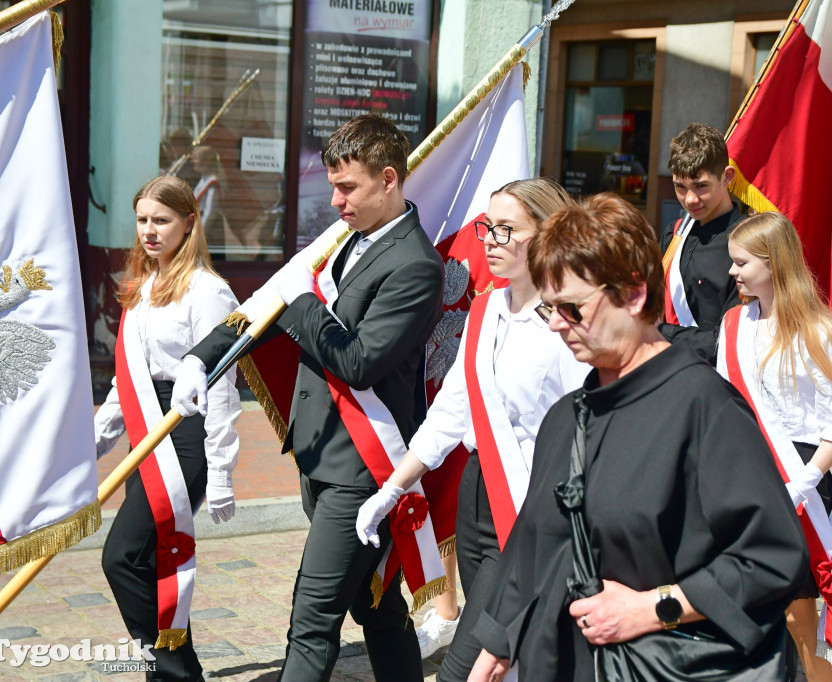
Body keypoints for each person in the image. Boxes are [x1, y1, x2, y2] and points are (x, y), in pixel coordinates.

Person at [468, 193, 808, 681]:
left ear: (634, 294)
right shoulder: (566, 419)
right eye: (549, 310)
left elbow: (773, 558)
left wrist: (653, 608)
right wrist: (496, 649)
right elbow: (534, 545)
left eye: (573, 308)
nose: (559, 325)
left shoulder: (704, 406)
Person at [169, 113, 443, 681]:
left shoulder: (415, 264)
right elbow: (273, 300)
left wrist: (306, 306)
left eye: (349, 187)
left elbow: (360, 361)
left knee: (311, 621)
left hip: (365, 468)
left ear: (389, 179)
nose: (337, 201)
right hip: (324, 454)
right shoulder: (347, 239)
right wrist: (203, 356)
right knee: (377, 609)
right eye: (333, 188)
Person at [355, 178, 590, 679]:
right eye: (488, 227)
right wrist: (394, 487)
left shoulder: (568, 323)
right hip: (477, 495)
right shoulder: (485, 310)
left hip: (533, 504)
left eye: (507, 229)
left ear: (549, 233)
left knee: (466, 667)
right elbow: (452, 412)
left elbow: (590, 425)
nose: (490, 240)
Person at [716, 212, 832, 681]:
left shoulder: (821, 330)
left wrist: (802, 482)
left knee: (798, 614)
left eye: (741, 262)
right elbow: (721, 403)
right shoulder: (733, 324)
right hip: (744, 473)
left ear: (773, 263)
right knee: (742, 602)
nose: (732, 272)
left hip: (801, 478)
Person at [94, 176, 241, 681]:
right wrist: (93, 440)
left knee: (122, 557)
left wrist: (221, 471)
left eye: (161, 220)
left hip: (186, 433)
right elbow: (127, 379)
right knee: (155, 565)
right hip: (145, 427)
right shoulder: (142, 287)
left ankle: (174, 672)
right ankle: (178, 669)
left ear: (188, 222)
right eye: (142, 220)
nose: (149, 231)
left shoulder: (209, 292)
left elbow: (222, 389)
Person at [660, 122, 747, 364]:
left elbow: (734, 340)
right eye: (680, 187)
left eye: (700, 187)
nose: (689, 199)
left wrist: (664, 334)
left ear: (727, 177)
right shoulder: (674, 233)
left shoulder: (747, 246)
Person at [192, 145, 227, 253]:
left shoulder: (212, 183)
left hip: (209, 229)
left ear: (205, 162)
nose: (192, 161)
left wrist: (199, 236)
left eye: (195, 158)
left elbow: (210, 213)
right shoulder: (203, 179)